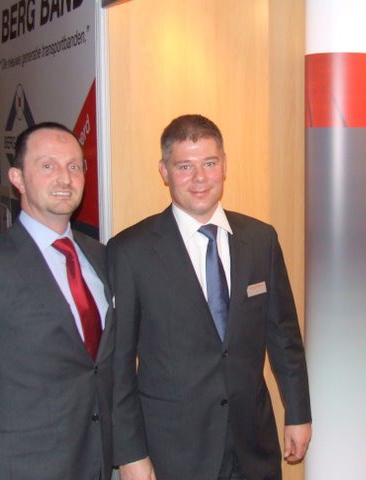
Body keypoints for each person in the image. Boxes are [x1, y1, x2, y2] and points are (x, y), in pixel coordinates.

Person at [108, 114, 312, 480]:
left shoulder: (260, 239)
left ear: (225, 166)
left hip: (253, 446)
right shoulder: (130, 251)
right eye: (185, 166)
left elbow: (284, 338)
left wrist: (298, 414)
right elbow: (119, 365)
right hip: (174, 453)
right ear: (164, 171)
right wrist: (130, 454)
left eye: (209, 163)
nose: (200, 178)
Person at [0, 122, 115, 480]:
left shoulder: (101, 257)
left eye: (74, 166)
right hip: (18, 465)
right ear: (17, 178)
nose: (64, 178)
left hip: (96, 459)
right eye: (48, 165)